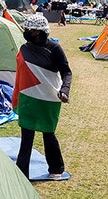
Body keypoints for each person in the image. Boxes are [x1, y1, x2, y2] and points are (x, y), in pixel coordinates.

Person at [12, 13, 72, 180]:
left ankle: (56, 168)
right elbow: (21, 73)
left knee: (48, 133)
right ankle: (22, 173)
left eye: (28, 29)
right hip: (29, 98)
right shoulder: (24, 48)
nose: (25, 31)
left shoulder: (54, 48)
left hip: (49, 98)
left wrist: (65, 90)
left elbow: (66, 72)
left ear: (37, 32)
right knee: (27, 136)